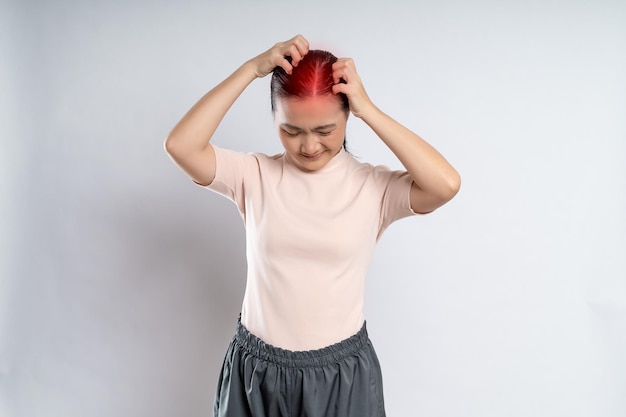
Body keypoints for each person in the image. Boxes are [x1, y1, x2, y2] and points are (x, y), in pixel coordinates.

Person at [165, 34, 460, 417]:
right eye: (291, 130)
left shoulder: (374, 188)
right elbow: (181, 146)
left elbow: (446, 184)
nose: (308, 147)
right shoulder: (254, 176)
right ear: (274, 118)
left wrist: (370, 109)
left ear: (347, 116)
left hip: (341, 377)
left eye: (325, 130)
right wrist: (251, 70)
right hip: (257, 372)